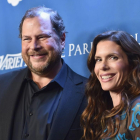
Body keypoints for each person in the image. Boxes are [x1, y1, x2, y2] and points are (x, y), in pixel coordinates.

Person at [0, 6, 87, 140]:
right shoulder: (2, 85)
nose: (34, 46)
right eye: (27, 39)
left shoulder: (90, 93)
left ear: (62, 40)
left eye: (42, 37)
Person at [81, 30, 140, 140]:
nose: (103, 66)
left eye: (113, 57)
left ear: (132, 63)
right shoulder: (105, 114)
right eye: (98, 59)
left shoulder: (137, 108)